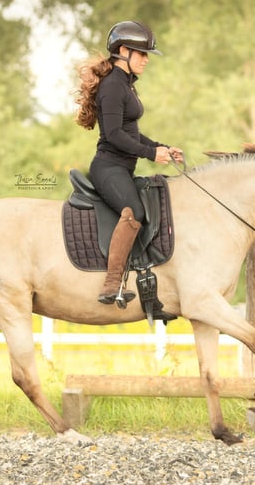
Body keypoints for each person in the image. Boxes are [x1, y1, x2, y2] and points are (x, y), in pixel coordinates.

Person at [74, 20, 184, 305]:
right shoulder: (113, 86)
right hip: (108, 168)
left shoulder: (126, 85)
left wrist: (162, 148)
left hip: (123, 167)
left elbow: (131, 132)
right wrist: (150, 154)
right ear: (123, 50)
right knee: (133, 210)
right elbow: (113, 135)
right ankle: (111, 284)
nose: (146, 60)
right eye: (142, 53)